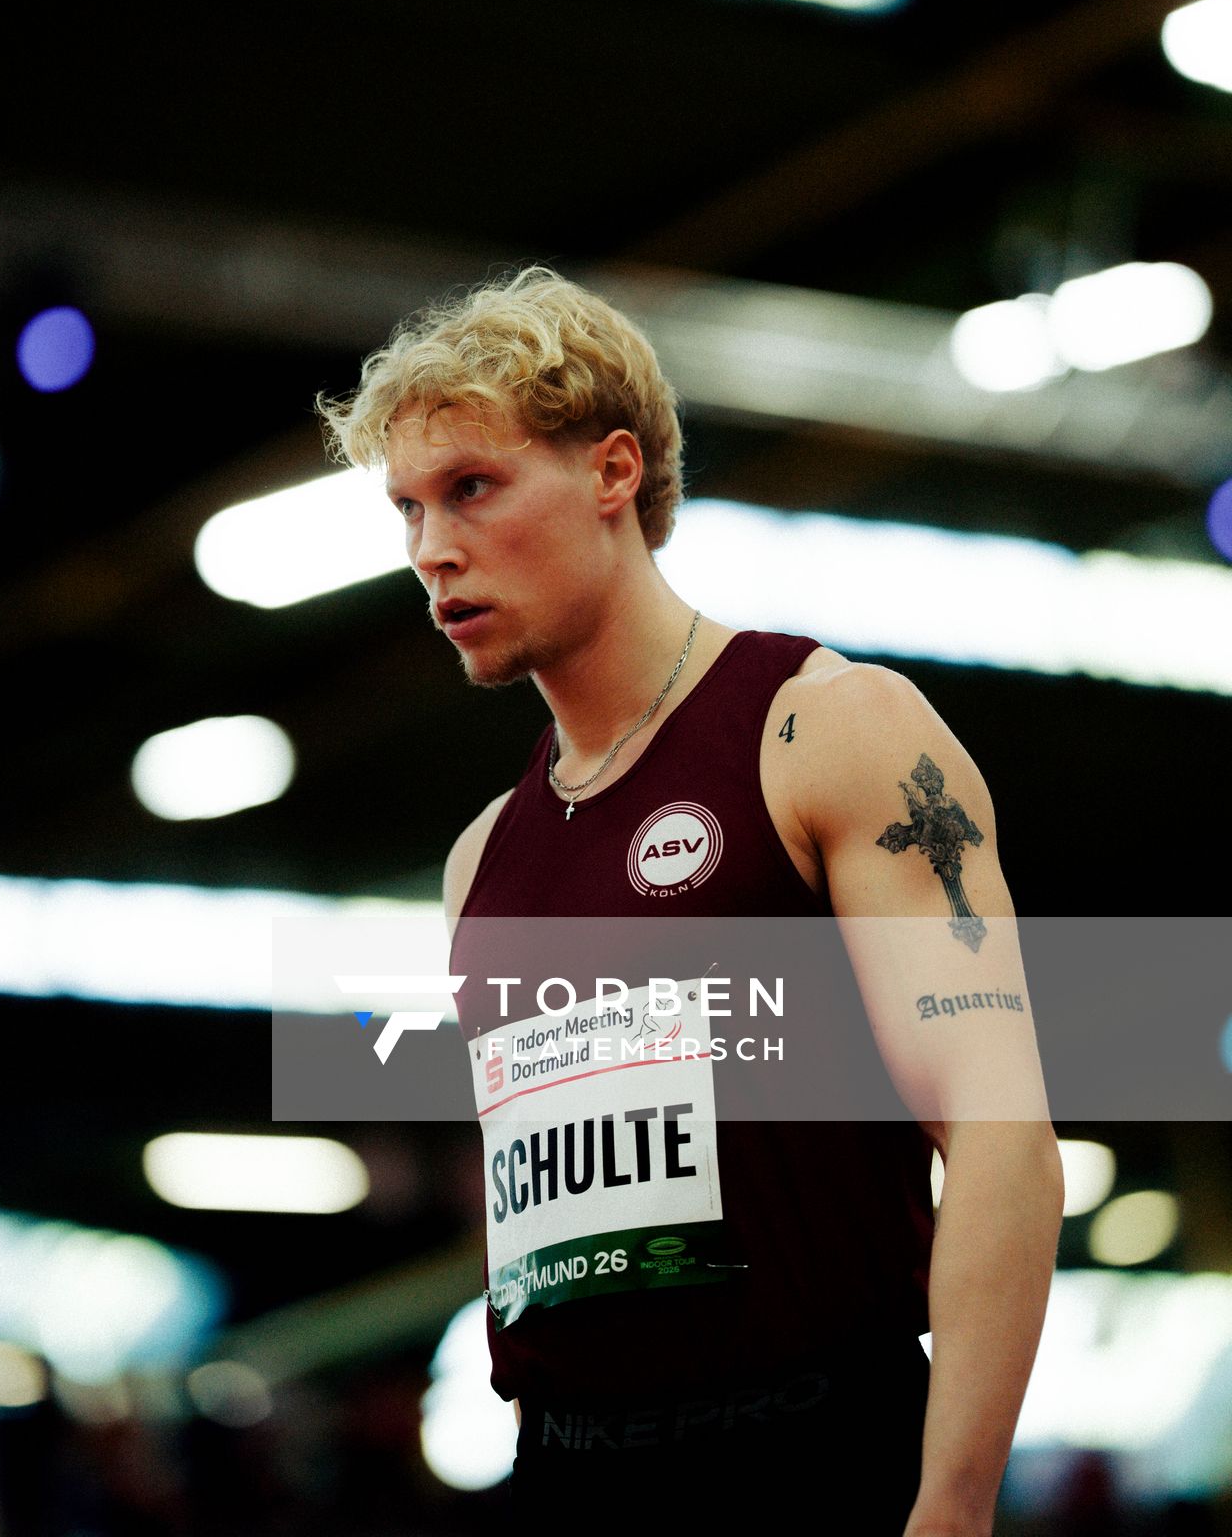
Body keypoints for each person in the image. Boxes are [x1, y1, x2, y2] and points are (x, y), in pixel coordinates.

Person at [319, 267, 1064, 1531]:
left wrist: (952, 1507)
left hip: (809, 1455)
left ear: (614, 473)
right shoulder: (480, 861)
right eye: (406, 510)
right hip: (560, 1468)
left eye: (472, 489)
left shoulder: (825, 730)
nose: (430, 549)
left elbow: (1001, 1137)